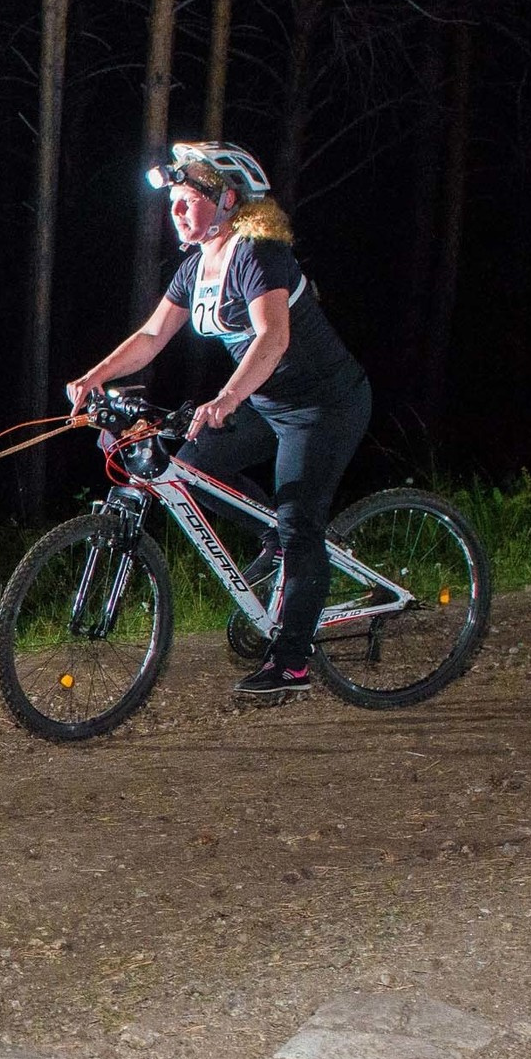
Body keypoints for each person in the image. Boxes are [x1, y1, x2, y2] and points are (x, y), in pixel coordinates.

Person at [64, 142, 372, 701]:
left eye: (187, 200)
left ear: (227, 199)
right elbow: (153, 336)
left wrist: (225, 398)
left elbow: (272, 336)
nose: (176, 211)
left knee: (301, 524)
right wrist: (93, 376)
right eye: (173, 202)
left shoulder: (259, 254)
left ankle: (293, 663)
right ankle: (272, 539)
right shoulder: (195, 268)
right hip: (264, 402)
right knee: (187, 467)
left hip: (324, 406)